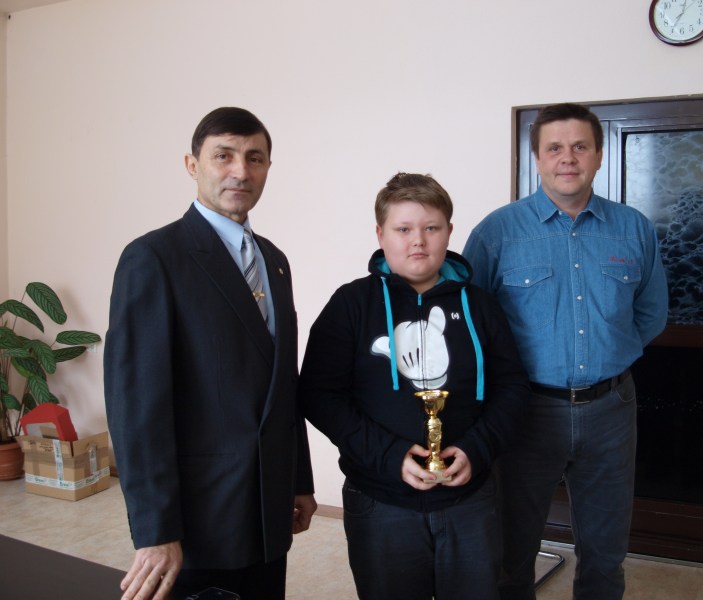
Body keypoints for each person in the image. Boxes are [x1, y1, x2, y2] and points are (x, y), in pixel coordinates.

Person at [104, 107, 317, 600]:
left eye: (254, 158)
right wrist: (156, 529)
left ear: (267, 168)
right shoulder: (154, 258)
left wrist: (298, 480)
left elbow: (283, 383)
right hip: (198, 520)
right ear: (191, 164)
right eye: (223, 155)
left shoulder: (275, 261)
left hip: (268, 511)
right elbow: (136, 406)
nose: (240, 171)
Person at [463, 103, 668, 600]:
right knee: (511, 548)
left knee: (605, 550)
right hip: (525, 412)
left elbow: (651, 313)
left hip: (611, 409)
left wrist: (607, 354)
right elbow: (471, 323)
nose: (567, 158)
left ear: (599, 155)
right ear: (537, 157)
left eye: (580, 146)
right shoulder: (497, 232)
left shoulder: (633, 228)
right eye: (554, 148)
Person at [299, 173, 530, 600]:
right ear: (380, 234)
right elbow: (319, 395)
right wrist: (389, 456)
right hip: (380, 501)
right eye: (403, 229)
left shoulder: (480, 305)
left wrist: (477, 449)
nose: (418, 241)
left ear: (449, 232)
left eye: (431, 228)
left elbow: (512, 386)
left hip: (470, 501)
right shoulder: (351, 304)